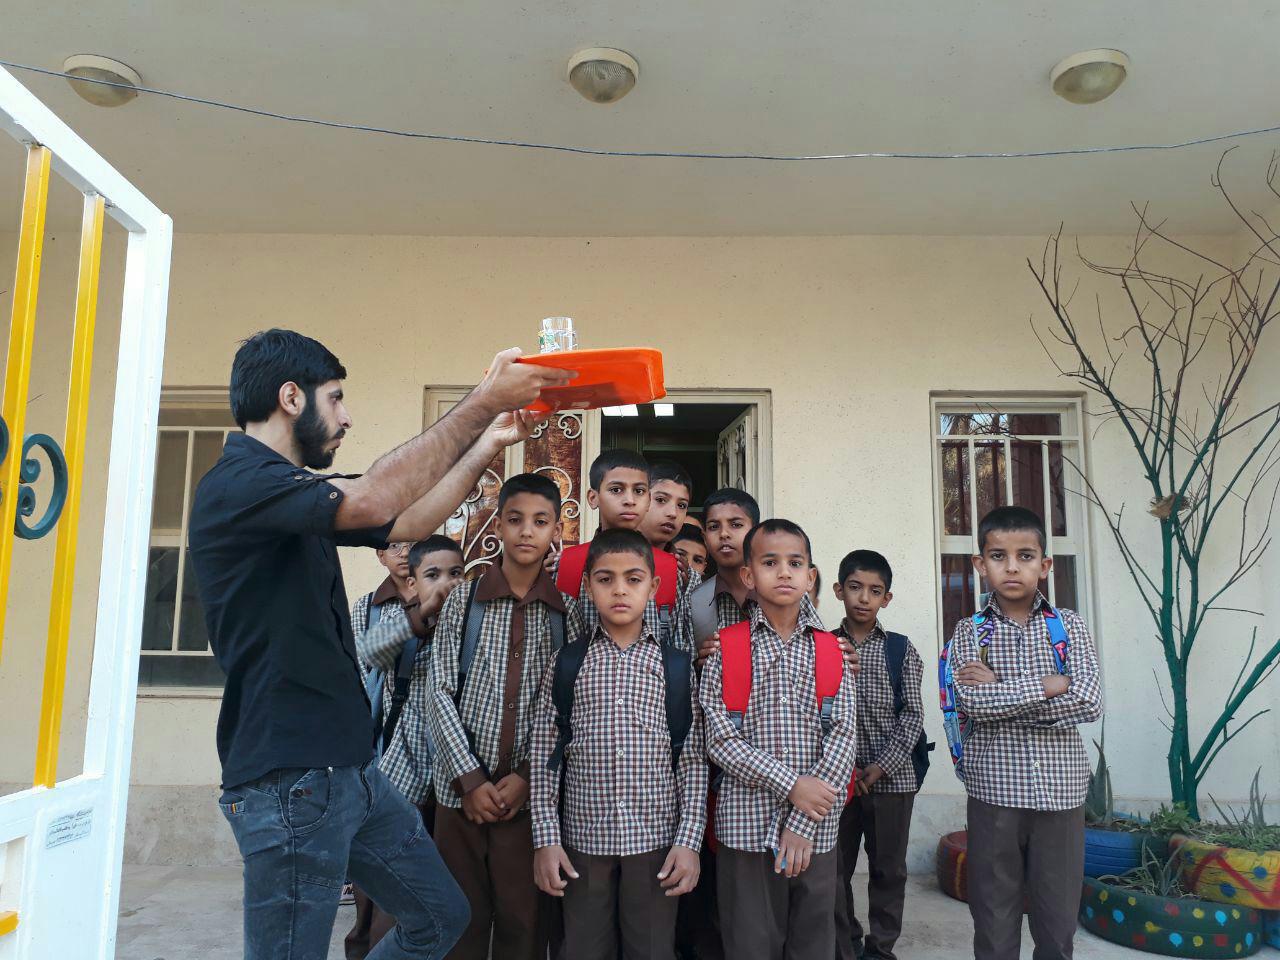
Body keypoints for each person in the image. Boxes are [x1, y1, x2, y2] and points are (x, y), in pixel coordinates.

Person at [189, 329, 570, 960]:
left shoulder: (286, 492)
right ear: (291, 397)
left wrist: (487, 443)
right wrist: (484, 398)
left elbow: (408, 520)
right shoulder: (240, 484)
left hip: (351, 769)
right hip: (290, 776)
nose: (345, 418)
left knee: (439, 918)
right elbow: (373, 497)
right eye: (335, 399)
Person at [427, 473, 585, 960]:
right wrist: (469, 780)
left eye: (540, 521)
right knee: (460, 919)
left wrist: (527, 778)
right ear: (497, 525)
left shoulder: (568, 613)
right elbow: (438, 691)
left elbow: (570, 707)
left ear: (556, 530)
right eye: (515, 520)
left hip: (528, 800)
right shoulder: (464, 600)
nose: (526, 531)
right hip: (459, 797)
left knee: (524, 921)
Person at [531, 529, 707, 960]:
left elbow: (692, 760)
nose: (620, 590)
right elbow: (544, 757)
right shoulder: (568, 662)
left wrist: (688, 841)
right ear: (588, 586)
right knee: (584, 949)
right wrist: (546, 839)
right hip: (583, 842)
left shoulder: (675, 666)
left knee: (652, 949)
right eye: (606, 579)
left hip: (656, 842)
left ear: (654, 586)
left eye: (633, 578)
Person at [950, 506, 1103, 960]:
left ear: (1045, 564)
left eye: (1026, 556)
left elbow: (1088, 701)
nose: (1012, 567)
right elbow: (973, 703)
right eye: (998, 556)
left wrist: (1003, 689)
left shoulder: (1068, 626)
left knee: (1057, 922)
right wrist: (1047, 685)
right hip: (994, 793)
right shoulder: (970, 632)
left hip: (1061, 794)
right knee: (994, 919)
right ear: (981, 564)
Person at [699, 520, 857, 960]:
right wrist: (792, 786)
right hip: (745, 830)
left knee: (812, 945)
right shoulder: (725, 649)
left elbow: (843, 737)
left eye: (795, 563)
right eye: (770, 563)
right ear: (748, 575)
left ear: (810, 576)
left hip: (817, 832)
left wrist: (802, 821)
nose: (784, 572)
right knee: (749, 944)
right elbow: (720, 740)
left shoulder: (833, 651)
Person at [347, 535, 467, 958]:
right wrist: (419, 617)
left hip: (456, 772)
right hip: (399, 763)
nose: (446, 583)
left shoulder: (471, 619)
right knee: (386, 889)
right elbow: (365, 656)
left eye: (456, 574)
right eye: (433, 575)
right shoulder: (378, 611)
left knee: (440, 884)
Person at [830, 551, 925, 960]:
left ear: (887, 598)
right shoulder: (823, 646)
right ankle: (846, 943)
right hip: (838, 783)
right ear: (839, 591)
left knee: (888, 870)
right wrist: (847, 769)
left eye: (874, 590)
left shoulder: (900, 649)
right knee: (834, 868)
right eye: (855, 587)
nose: (864, 598)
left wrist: (880, 766)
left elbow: (913, 716)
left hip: (893, 781)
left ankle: (880, 949)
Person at [555, 449, 686, 654]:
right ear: (593, 498)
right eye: (616, 490)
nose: (629, 500)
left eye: (639, 491)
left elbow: (681, 653)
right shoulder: (563, 565)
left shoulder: (672, 570)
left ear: (648, 500)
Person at [639, 461, 694, 552]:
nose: (673, 513)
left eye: (681, 505)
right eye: (661, 500)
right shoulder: (614, 555)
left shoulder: (678, 561)